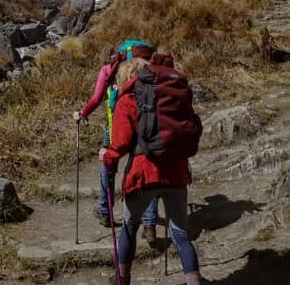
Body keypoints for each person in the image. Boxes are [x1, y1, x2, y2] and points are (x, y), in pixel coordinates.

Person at [99, 57, 201, 285]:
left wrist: (107, 156)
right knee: (181, 235)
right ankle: (194, 281)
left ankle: (122, 280)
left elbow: (122, 142)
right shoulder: (170, 95)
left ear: (125, 76)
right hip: (176, 171)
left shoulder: (128, 99)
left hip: (143, 174)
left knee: (129, 226)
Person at [73, 50, 158, 242]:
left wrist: (82, 113)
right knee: (149, 169)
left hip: (116, 122)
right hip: (147, 124)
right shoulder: (146, 66)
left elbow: (96, 99)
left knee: (108, 164)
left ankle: (105, 211)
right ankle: (150, 224)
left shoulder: (108, 69)